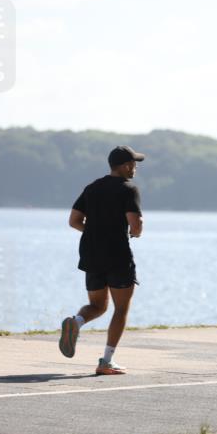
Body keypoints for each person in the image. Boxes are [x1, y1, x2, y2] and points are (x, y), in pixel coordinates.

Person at [59, 145, 145, 375]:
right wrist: (136, 232)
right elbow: (135, 225)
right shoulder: (128, 189)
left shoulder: (92, 188)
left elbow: (74, 220)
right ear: (126, 166)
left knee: (97, 306)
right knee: (120, 308)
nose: (135, 167)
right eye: (134, 163)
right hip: (117, 255)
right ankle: (106, 361)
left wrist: (94, 232)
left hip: (91, 253)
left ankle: (76, 322)